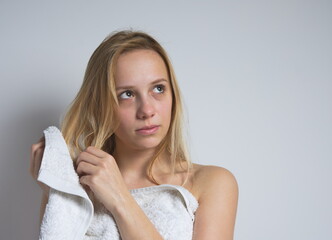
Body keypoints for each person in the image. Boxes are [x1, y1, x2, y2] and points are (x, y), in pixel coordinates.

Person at [30, 30, 238, 239]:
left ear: (173, 94)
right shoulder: (75, 185)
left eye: (158, 88)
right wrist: (58, 191)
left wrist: (119, 199)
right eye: (127, 94)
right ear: (100, 106)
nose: (147, 110)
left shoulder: (212, 183)